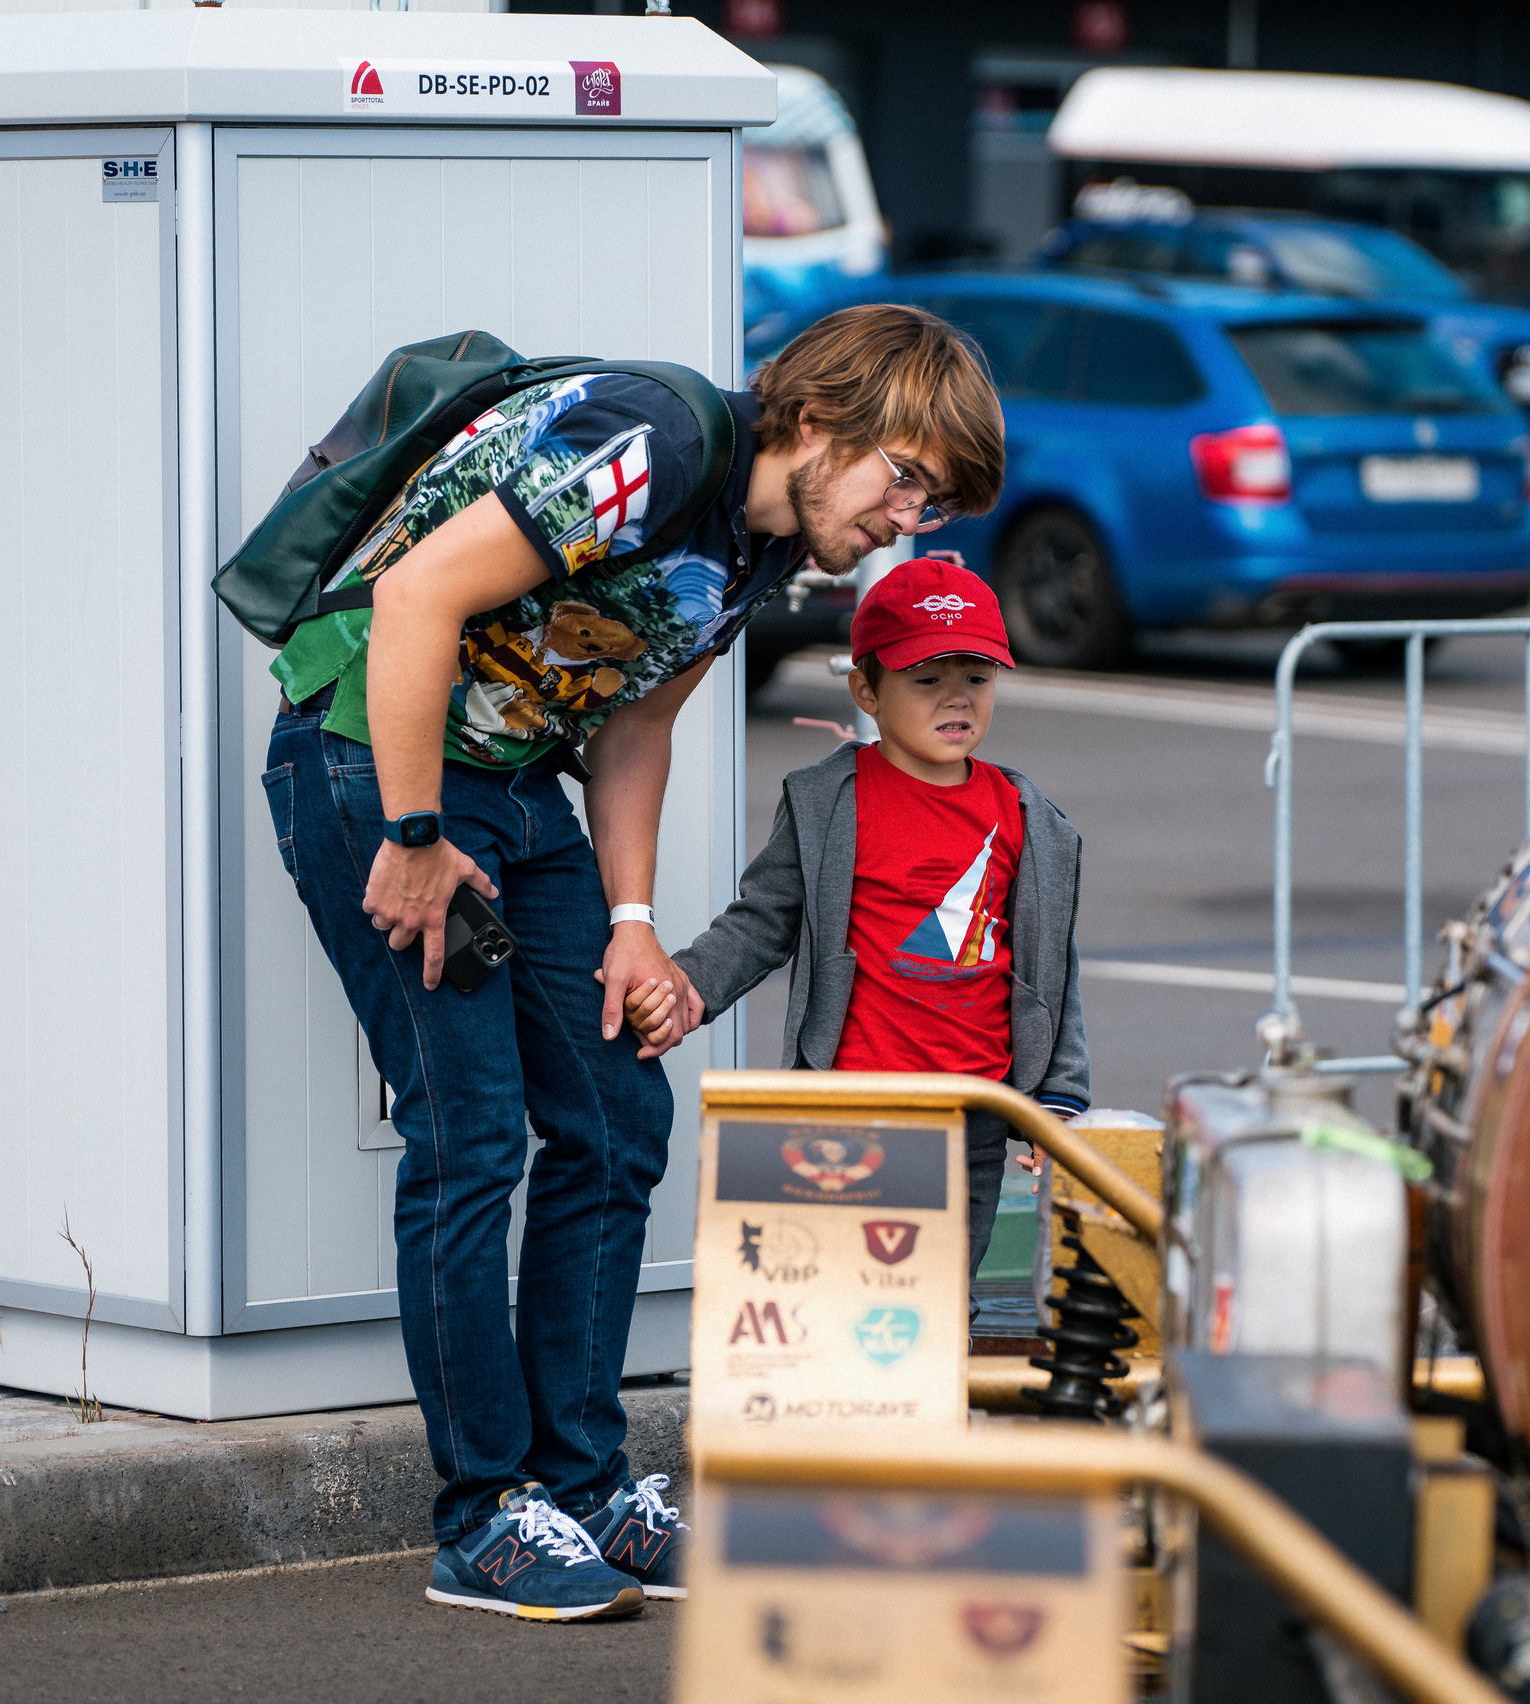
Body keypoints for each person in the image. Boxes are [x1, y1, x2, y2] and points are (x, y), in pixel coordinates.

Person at [259, 305, 1004, 1620]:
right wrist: (413, 834)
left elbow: (634, 723)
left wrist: (631, 919)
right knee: (469, 1130)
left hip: (513, 781)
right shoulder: (653, 445)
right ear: (817, 420)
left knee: (614, 1115)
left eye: (932, 503)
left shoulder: (762, 548)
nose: (908, 520)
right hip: (374, 759)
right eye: (904, 479)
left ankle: (586, 1484)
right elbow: (417, 594)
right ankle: (483, 1514)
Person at [632, 555, 1091, 1284]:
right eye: (927, 678)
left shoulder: (1027, 816)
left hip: (973, 1114)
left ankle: (945, 1364)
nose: (957, 698)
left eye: (977, 677)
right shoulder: (827, 802)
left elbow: (1051, 968)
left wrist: (1058, 1101)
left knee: (941, 1302)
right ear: (866, 690)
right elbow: (760, 922)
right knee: (841, 1296)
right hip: (851, 1111)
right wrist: (686, 987)